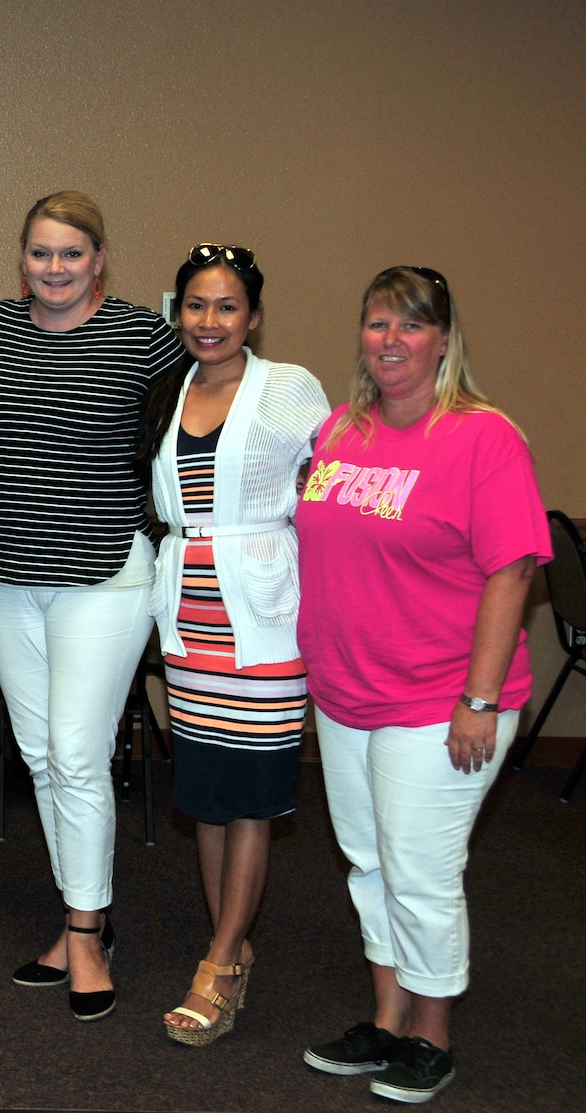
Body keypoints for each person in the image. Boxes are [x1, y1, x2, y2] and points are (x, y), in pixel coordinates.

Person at [295, 267, 546, 1103]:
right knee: (366, 860)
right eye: (377, 324)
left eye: (410, 325)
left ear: (443, 338)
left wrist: (478, 700)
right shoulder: (341, 429)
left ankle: (432, 1034)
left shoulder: (484, 437)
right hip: (348, 691)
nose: (391, 341)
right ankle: (387, 1017)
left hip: (440, 699)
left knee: (420, 867)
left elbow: (511, 571)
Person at [0, 191, 184, 1021]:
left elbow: (188, 430)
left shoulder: (143, 336)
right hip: (13, 572)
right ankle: (77, 913)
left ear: (99, 259)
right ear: (21, 258)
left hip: (107, 571)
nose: (52, 269)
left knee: (77, 751)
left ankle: (88, 930)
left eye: (70, 253)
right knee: (40, 755)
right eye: (39, 253)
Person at [139, 246, 328, 1042]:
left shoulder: (290, 387)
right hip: (190, 620)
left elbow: (328, 492)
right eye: (194, 305)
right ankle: (233, 944)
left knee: (251, 794)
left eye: (225, 307)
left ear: (252, 316)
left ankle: (217, 963)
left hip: (264, 621)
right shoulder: (164, 391)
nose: (208, 322)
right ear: (177, 311)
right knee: (208, 795)